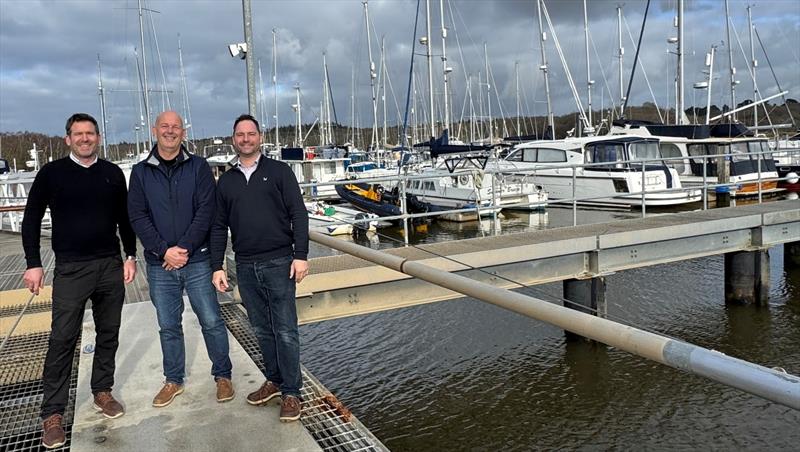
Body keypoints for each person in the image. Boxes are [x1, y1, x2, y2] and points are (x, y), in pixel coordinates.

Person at [21, 113, 137, 449]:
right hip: (71, 269)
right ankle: (53, 414)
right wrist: (33, 264)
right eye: (78, 134)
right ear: (68, 138)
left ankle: (102, 390)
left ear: (98, 138)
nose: (85, 138)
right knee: (62, 340)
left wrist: (130, 255)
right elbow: (30, 220)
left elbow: (125, 220)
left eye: (90, 133)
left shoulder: (112, 174)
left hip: (109, 266)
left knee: (108, 334)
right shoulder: (51, 174)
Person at [127, 110, 233, 408]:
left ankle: (222, 375)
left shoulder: (198, 167)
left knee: (211, 320)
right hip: (160, 264)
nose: (170, 131)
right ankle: (173, 380)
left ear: (183, 133)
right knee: (168, 325)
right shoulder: (140, 172)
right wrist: (164, 251)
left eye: (176, 127)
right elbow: (137, 215)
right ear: (154, 131)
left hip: (197, 260)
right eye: (165, 126)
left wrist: (182, 249)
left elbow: (206, 212)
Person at [210, 114, 309, 422]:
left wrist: (301, 255)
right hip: (246, 264)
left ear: (260, 137)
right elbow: (217, 226)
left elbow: (299, 214)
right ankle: (275, 380)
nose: (246, 139)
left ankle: (292, 392)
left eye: (250, 134)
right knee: (262, 330)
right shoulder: (226, 181)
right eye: (240, 135)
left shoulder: (280, 172)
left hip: (280, 262)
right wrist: (217, 266)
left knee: (286, 331)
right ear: (233, 140)